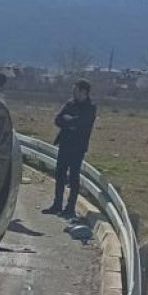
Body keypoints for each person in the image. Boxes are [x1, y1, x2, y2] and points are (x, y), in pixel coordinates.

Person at [44, 80, 98, 219]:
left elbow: (81, 123)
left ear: (83, 91)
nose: (73, 92)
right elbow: (58, 119)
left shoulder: (90, 107)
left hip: (78, 147)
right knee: (60, 174)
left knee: (73, 177)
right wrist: (70, 122)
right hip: (64, 143)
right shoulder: (70, 103)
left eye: (76, 90)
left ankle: (70, 207)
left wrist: (67, 121)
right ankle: (57, 204)